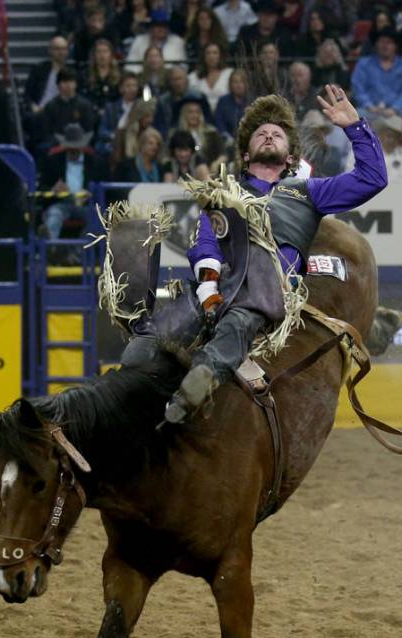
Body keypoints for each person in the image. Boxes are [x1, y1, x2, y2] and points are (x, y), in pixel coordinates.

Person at [162, 88, 388, 423]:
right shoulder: (225, 194)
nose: (269, 135)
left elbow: (373, 178)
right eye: (261, 133)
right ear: (246, 155)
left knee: (241, 318)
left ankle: (195, 388)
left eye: (277, 134)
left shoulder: (310, 192)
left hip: (268, 294)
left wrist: (354, 127)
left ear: (291, 158)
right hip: (216, 288)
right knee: (156, 331)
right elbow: (205, 242)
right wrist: (209, 290)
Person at [39, 123, 108, 240]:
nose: (74, 151)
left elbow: (105, 188)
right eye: (71, 148)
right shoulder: (53, 161)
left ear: (83, 146)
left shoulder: (96, 162)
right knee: (53, 217)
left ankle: (77, 253)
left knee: (99, 218)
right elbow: (41, 188)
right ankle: (50, 248)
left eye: (77, 147)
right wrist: (53, 190)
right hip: (61, 203)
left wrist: (92, 194)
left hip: (88, 205)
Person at [351, 26, 402, 117]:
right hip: (369, 110)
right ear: (376, 44)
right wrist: (369, 106)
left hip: (397, 110)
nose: (385, 46)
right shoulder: (363, 64)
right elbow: (358, 89)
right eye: (382, 42)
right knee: (358, 114)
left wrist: (394, 108)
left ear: (396, 46)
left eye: (389, 42)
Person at [40, 67, 97, 148]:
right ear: (58, 84)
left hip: (80, 145)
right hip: (56, 146)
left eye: (71, 81)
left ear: (76, 84)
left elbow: (89, 131)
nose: (68, 85)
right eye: (65, 81)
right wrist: (61, 144)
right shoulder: (50, 106)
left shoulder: (85, 105)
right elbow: (46, 133)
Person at [96, 71, 141, 156]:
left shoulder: (142, 108)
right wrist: (115, 136)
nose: (132, 89)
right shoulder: (111, 108)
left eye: (134, 85)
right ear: (121, 89)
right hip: (115, 144)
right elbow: (102, 131)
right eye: (128, 86)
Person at [188, 41, 232, 113]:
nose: (211, 56)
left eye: (215, 53)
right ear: (203, 56)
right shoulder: (193, 77)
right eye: (208, 53)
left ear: (220, 56)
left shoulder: (229, 74)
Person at [81, 38, 122, 115]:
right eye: (99, 51)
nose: (102, 55)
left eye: (105, 51)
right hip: (90, 113)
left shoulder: (120, 75)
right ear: (94, 55)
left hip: (114, 114)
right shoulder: (85, 74)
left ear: (111, 54)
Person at [369, 113, 402, 180]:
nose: (392, 140)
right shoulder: (367, 152)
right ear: (381, 135)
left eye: (395, 137)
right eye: (389, 136)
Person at [214, 67, 249, 141]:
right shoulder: (223, 101)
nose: (239, 85)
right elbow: (218, 122)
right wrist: (227, 137)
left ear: (246, 84)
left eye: (241, 82)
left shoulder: (252, 101)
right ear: (230, 84)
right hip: (226, 141)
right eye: (235, 82)